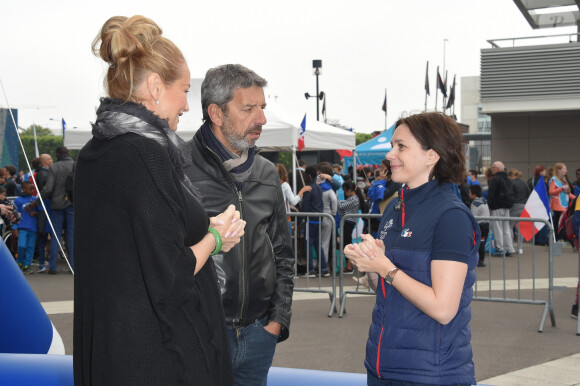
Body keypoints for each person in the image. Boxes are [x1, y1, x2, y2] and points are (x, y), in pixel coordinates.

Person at [74, 15, 244, 385]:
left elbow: (137, 250)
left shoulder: (94, 153)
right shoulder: (143, 154)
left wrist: (203, 230)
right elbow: (171, 275)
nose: (187, 104)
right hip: (157, 357)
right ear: (154, 86)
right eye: (183, 89)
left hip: (110, 352)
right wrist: (216, 240)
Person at [344, 112, 480, 385]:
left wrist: (386, 267)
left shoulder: (451, 217)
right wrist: (372, 264)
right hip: (382, 367)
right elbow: (385, 286)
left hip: (431, 374)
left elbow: (443, 308)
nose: (390, 154)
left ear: (432, 155)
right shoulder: (396, 207)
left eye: (401, 147)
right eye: (392, 145)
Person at [183, 63, 294, 386]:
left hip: (258, 336)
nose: (261, 119)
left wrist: (276, 321)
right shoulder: (178, 169)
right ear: (216, 113)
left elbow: (283, 254)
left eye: (262, 107)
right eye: (249, 108)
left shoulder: (266, 173)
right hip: (200, 335)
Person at [40, 146, 74, 274]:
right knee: (71, 236)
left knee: (55, 236)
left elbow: (48, 189)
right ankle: (73, 266)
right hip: (72, 203)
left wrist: (36, 202)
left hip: (57, 205)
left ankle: (53, 266)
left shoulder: (54, 167)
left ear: (58, 154)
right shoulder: (75, 165)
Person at [300, 165, 327, 276]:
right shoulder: (319, 188)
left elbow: (305, 207)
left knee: (308, 245)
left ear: (308, 176)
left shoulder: (308, 188)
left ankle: (310, 269)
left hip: (309, 220)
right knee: (317, 244)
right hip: (318, 219)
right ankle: (324, 268)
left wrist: (300, 220)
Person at [338, 180, 367, 273]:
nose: (345, 193)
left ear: (350, 190)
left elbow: (341, 206)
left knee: (347, 244)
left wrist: (336, 201)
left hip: (348, 222)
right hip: (348, 222)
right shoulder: (353, 198)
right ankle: (349, 264)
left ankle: (349, 265)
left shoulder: (353, 198)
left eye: (345, 191)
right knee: (347, 243)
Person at [488, 161, 515, 257]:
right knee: (506, 228)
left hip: (497, 207)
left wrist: (490, 206)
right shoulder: (507, 179)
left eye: (493, 167)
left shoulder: (495, 179)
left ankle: (500, 249)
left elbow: (491, 193)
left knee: (497, 228)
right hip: (506, 206)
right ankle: (510, 248)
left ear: (496, 168)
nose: (491, 169)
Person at [13, 181, 38, 274]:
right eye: (30, 189)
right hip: (22, 227)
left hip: (33, 228)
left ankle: (27, 265)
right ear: (23, 189)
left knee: (30, 247)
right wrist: (15, 227)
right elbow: (14, 214)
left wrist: (35, 213)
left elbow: (40, 212)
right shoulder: (18, 200)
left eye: (33, 189)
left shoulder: (35, 199)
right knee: (21, 246)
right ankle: (19, 261)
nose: (32, 190)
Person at [318, 162, 338, 274]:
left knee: (318, 242)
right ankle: (323, 265)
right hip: (328, 216)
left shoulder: (316, 187)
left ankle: (318, 263)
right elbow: (334, 201)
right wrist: (333, 213)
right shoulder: (329, 189)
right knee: (325, 243)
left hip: (317, 216)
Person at [549, 162, 575, 240]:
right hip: (557, 205)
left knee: (561, 223)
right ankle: (557, 239)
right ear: (558, 170)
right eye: (564, 169)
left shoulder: (564, 180)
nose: (566, 170)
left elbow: (567, 193)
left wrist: (576, 198)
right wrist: (561, 188)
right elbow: (551, 192)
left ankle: (558, 239)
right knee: (559, 223)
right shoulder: (554, 180)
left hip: (564, 204)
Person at [508, 168, 529, 253]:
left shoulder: (511, 183)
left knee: (509, 226)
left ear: (511, 176)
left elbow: (509, 195)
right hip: (524, 206)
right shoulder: (523, 183)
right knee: (520, 227)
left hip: (514, 206)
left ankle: (511, 246)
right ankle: (520, 248)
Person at [470, 184, 490, 267]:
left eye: (469, 192)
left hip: (480, 225)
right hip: (487, 224)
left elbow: (474, 215)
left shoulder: (475, 203)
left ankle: (480, 260)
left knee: (479, 243)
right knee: (483, 242)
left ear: (473, 194)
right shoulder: (484, 200)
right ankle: (481, 259)